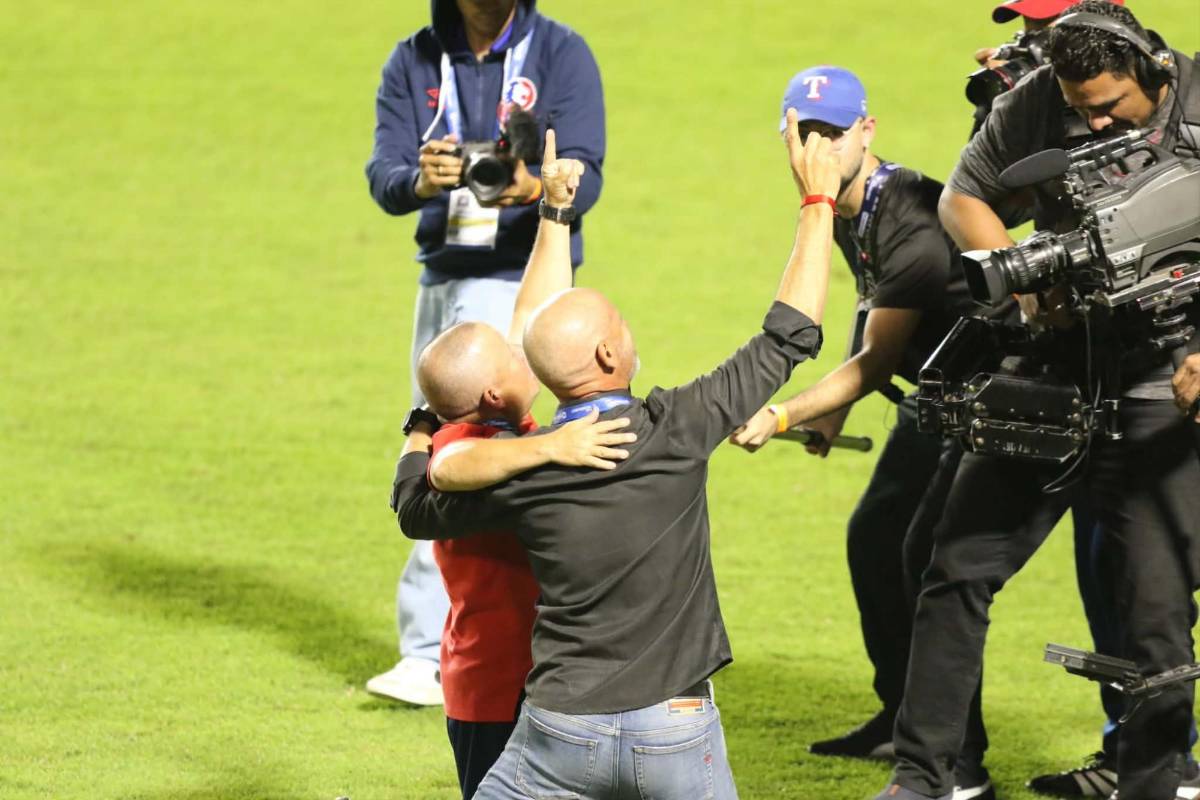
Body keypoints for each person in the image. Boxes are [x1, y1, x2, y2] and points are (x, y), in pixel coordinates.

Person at [390, 115, 840, 799]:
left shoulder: (523, 464)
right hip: (676, 728)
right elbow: (791, 334)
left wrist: (555, 216)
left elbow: (422, 501)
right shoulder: (679, 426)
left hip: (559, 732)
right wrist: (818, 204)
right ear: (608, 355)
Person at [877, 3, 1200, 799]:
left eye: (1106, 108)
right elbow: (963, 195)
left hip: (1163, 380)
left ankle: (1153, 782)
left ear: (1152, 73)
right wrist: (1022, 277)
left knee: (1156, 611)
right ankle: (928, 776)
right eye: (1076, 106)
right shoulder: (1035, 103)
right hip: (1054, 368)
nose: (1088, 122)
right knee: (955, 568)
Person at [726, 66, 996, 800]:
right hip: (936, 400)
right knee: (874, 539)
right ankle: (902, 717)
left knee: (929, 565)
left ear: (865, 133)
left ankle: (956, 763)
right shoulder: (847, 202)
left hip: (981, 405)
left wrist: (785, 412)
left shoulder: (910, 216)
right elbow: (868, 299)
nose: (816, 149)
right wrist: (833, 409)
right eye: (802, 133)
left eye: (831, 134)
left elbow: (878, 359)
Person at [363, 0, 605, 705]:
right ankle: (454, 644)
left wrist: (530, 185)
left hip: (522, 272)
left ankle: (435, 649)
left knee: (467, 449)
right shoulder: (412, 59)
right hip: (442, 277)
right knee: (454, 441)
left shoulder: (560, 52)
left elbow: (586, 170)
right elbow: (383, 176)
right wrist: (422, 179)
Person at [391, 130, 633, 799]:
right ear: (497, 393)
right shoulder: (492, 459)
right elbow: (454, 469)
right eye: (513, 357)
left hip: (485, 681)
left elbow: (534, 313)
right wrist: (556, 446)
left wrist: (555, 211)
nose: (526, 352)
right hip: (505, 692)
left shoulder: (463, 424)